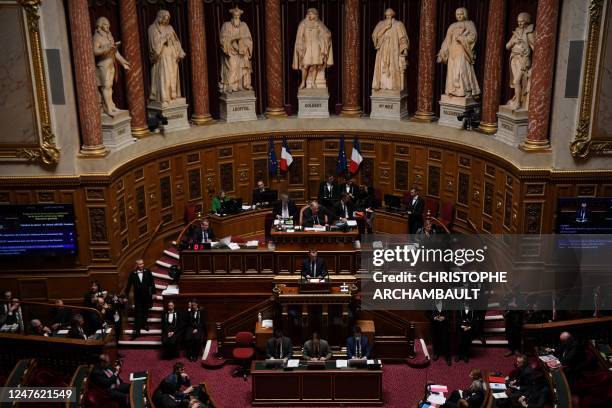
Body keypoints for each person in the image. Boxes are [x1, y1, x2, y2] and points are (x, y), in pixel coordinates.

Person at [437, 7, 480, 98]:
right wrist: (443, 51)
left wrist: (462, 38)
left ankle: (465, 90)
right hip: (453, 51)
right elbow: (447, 40)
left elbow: (473, 37)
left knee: (462, 70)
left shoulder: (469, 24)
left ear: (465, 14)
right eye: (457, 14)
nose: (459, 16)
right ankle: (453, 90)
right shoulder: (452, 26)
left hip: (462, 51)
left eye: (461, 14)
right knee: (452, 71)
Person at [92, 17, 130, 116]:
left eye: (108, 24)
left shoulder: (109, 35)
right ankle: (107, 108)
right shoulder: (97, 37)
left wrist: (123, 62)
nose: (107, 26)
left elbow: (115, 52)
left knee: (110, 86)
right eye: (105, 24)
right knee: (105, 86)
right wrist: (107, 48)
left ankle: (111, 106)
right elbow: (94, 51)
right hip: (103, 64)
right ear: (100, 25)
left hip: (111, 63)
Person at [148, 10, 186, 104]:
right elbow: (154, 46)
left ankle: (173, 96)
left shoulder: (170, 28)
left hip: (172, 56)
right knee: (165, 77)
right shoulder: (153, 29)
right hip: (162, 57)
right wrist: (164, 39)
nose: (166, 21)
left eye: (168, 19)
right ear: (160, 17)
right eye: (164, 18)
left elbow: (176, 41)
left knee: (173, 76)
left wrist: (179, 51)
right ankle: (165, 97)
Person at [292, 8, 333, 89]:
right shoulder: (303, 24)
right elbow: (299, 36)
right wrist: (300, 45)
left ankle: (313, 83)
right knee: (305, 66)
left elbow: (327, 33)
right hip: (306, 47)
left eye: (312, 14)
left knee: (315, 65)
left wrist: (323, 38)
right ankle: (303, 82)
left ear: (315, 15)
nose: (310, 15)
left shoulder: (319, 24)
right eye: (309, 13)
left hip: (316, 48)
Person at [371, 8, 409, 91]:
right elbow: (375, 35)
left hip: (393, 51)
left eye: (390, 15)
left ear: (393, 15)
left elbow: (403, 39)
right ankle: (382, 85)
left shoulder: (398, 24)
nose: (388, 17)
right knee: (382, 69)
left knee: (392, 68)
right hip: (382, 51)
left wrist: (404, 50)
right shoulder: (381, 24)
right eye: (387, 15)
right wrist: (386, 28)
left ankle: (393, 86)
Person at [219, 7, 253, 93]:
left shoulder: (244, 26)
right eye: (235, 16)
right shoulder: (226, 25)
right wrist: (234, 39)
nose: (237, 18)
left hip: (242, 52)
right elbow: (223, 39)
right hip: (231, 52)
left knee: (243, 66)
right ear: (232, 16)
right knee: (232, 66)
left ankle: (242, 85)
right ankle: (231, 85)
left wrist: (244, 47)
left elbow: (249, 39)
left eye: (238, 16)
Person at [506, 12, 535, 110]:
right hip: (514, 59)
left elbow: (535, 48)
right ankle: (517, 99)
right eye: (518, 22)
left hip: (523, 60)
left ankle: (518, 102)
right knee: (515, 82)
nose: (520, 24)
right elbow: (507, 46)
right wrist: (513, 41)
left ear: (526, 21)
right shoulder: (516, 32)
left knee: (517, 81)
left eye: (522, 22)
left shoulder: (529, 33)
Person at [123, 259, 155, 340]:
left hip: (147, 296)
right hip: (137, 297)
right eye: (140, 264)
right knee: (138, 313)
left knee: (145, 311)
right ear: (137, 265)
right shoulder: (132, 274)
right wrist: (126, 296)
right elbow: (128, 286)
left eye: (142, 263)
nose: (142, 265)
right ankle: (137, 331)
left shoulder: (147, 271)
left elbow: (152, 283)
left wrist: (154, 293)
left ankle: (144, 324)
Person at [426, 300, 452, 366]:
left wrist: (444, 317)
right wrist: (434, 318)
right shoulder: (430, 303)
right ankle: (436, 354)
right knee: (435, 340)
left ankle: (447, 357)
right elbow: (427, 313)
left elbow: (450, 312)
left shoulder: (447, 302)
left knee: (446, 341)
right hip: (434, 325)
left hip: (445, 325)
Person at [504, 289, 525, 357]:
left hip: (517, 317)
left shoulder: (521, 297)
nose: (511, 291)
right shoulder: (509, 296)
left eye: (513, 290)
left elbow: (523, 308)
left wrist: (515, 307)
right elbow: (505, 305)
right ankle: (511, 349)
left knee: (516, 334)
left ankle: (517, 350)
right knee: (509, 334)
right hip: (509, 317)